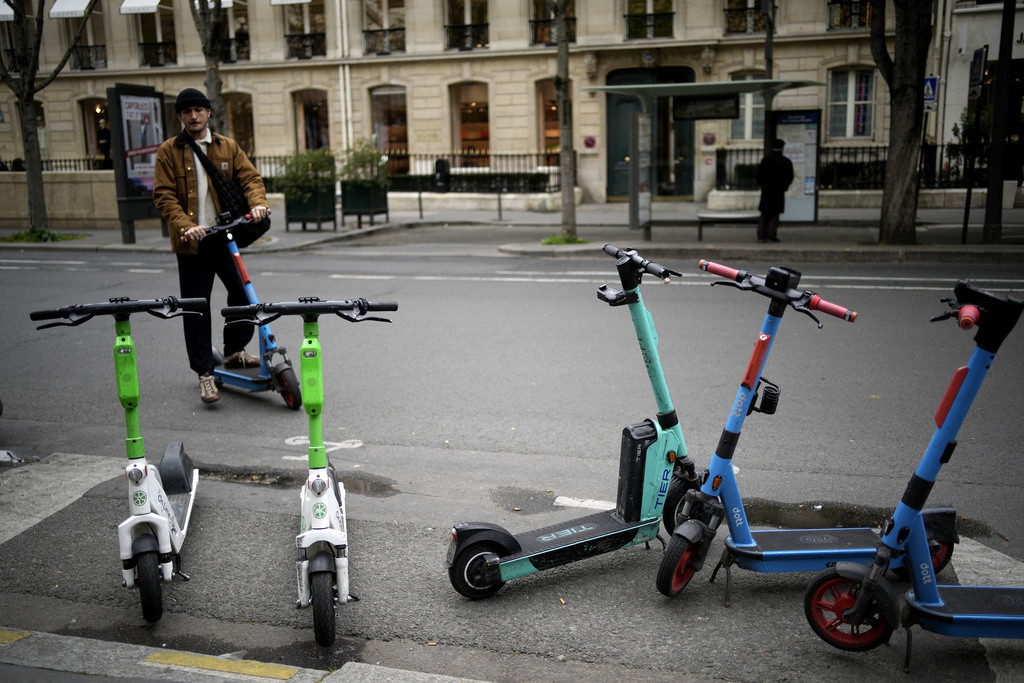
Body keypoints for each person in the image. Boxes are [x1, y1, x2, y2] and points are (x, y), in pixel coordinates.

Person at [153, 87, 269, 404]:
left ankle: (233, 352)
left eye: (198, 110)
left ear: (207, 113)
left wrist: (258, 204)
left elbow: (251, 179)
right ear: (180, 116)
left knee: (243, 295)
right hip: (193, 244)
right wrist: (186, 227)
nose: (193, 116)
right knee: (196, 309)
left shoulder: (227, 147)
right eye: (187, 111)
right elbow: (163, 196)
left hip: (224, 238)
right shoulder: (168, 151)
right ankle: (205, 373)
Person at [755, 138, 794, 243]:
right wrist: (784, 187)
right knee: (775, 214)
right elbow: (790, 177)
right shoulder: (785, 162)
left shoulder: (766, 160)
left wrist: (764, 185)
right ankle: (771, 235)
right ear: (782, 148)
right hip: (778, 192)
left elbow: (758, 176)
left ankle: (761, 235)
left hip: (767, 191)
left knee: (764, 214)